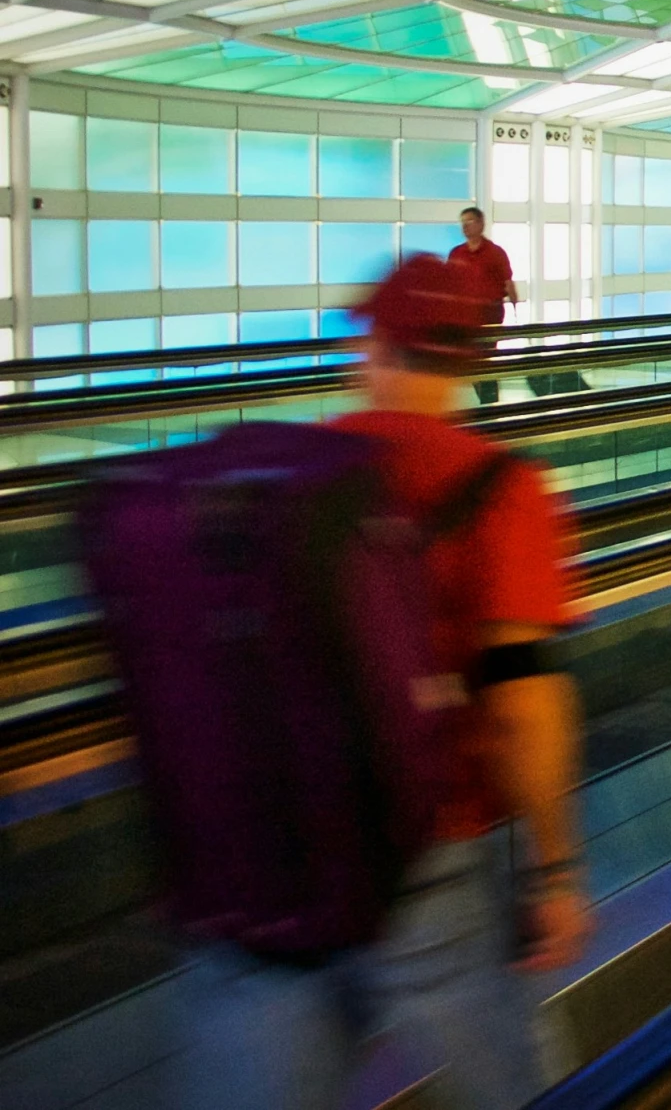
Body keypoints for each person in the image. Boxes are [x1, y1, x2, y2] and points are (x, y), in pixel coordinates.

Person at [165, 255, 588, 1110]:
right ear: (468, 356)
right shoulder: (502, 489)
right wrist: (554, 867)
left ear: (380, 349)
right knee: (519, 1088)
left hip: (276, 853)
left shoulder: (289, 478)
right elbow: (521, 698)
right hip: (425, 853)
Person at [448, 206, 518, 405]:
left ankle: (490, 404)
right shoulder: (457, 253)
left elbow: (508, 282)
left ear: (481, 223)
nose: (465, 227)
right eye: (462, 223)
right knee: (470, 361)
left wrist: (515, 308)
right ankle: (483, 401)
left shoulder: (495, 253)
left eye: (469, 222)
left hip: (490, 314)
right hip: (464, 315)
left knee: (486, 358)